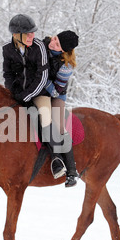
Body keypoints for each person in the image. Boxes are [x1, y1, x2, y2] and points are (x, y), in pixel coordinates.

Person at [2, 14, 67, 180]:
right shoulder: (7, 50)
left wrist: (27, 95)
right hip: (17, 93)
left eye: (33, 33)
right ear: (16, 35)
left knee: (45, 117)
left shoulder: (39, 47)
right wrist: (13, 92)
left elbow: (43, 76)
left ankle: (57, 159)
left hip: (39, 93)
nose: (32, 36)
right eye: (28, 33)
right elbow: (7, 74)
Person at [43, 30, 79, 187]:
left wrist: (41, 80)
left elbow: (56, 90)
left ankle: (71, 171)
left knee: (58, 126)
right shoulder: (42, 45)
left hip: (57, 94)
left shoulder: (66, 66)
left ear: (64, 51)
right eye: (55, 39)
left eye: (57, 44)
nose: (53, 43)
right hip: (39, 91)